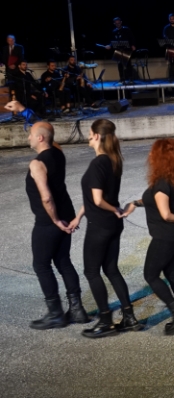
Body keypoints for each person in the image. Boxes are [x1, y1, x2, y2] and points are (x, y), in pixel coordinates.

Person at [72, 119, 141, 338]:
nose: (87, 136)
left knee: (92, 271)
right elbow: (93, 198)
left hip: (100, 225)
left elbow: (98, 200)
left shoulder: (97, 164)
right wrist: (78, 217)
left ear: (96, 136)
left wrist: (114, 209)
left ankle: (105, 321)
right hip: (112, 224)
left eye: (90, 133)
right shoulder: (114, 160)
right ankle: (129, 317)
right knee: (111, 269)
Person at [122, 139, 174, 335]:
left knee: (151, 275)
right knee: (172, 274)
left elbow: (166, 214)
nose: (149, 155)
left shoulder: (162, 183)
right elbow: (154, 199)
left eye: (152, 152)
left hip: (165, 236)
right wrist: (135, 203)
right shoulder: (172, 179)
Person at [24, 121, 90, 329]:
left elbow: (46, 197)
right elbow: (48, 133)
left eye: (31, 134)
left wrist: (54, 221)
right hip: (67, 215)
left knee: (41, 265)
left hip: (49, 221)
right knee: (63, 260)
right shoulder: (58, 154)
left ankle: (55, 314)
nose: (28, 137)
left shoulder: (37, 164)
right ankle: (77, 310)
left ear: (40, 138)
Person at [105, 17, 136, 83]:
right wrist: (109, 45)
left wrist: (133, 45)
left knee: (128, 64)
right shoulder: (114, 31)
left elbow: (132, 37)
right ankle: (122, 79)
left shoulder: (126, 29)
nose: (118, 24)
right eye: (116, 23)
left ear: (121, 22)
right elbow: (112, 41)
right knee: (120, 65)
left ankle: (131, 79)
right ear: (114, 24)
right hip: (118, 50)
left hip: (126, 49)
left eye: (119, 23)